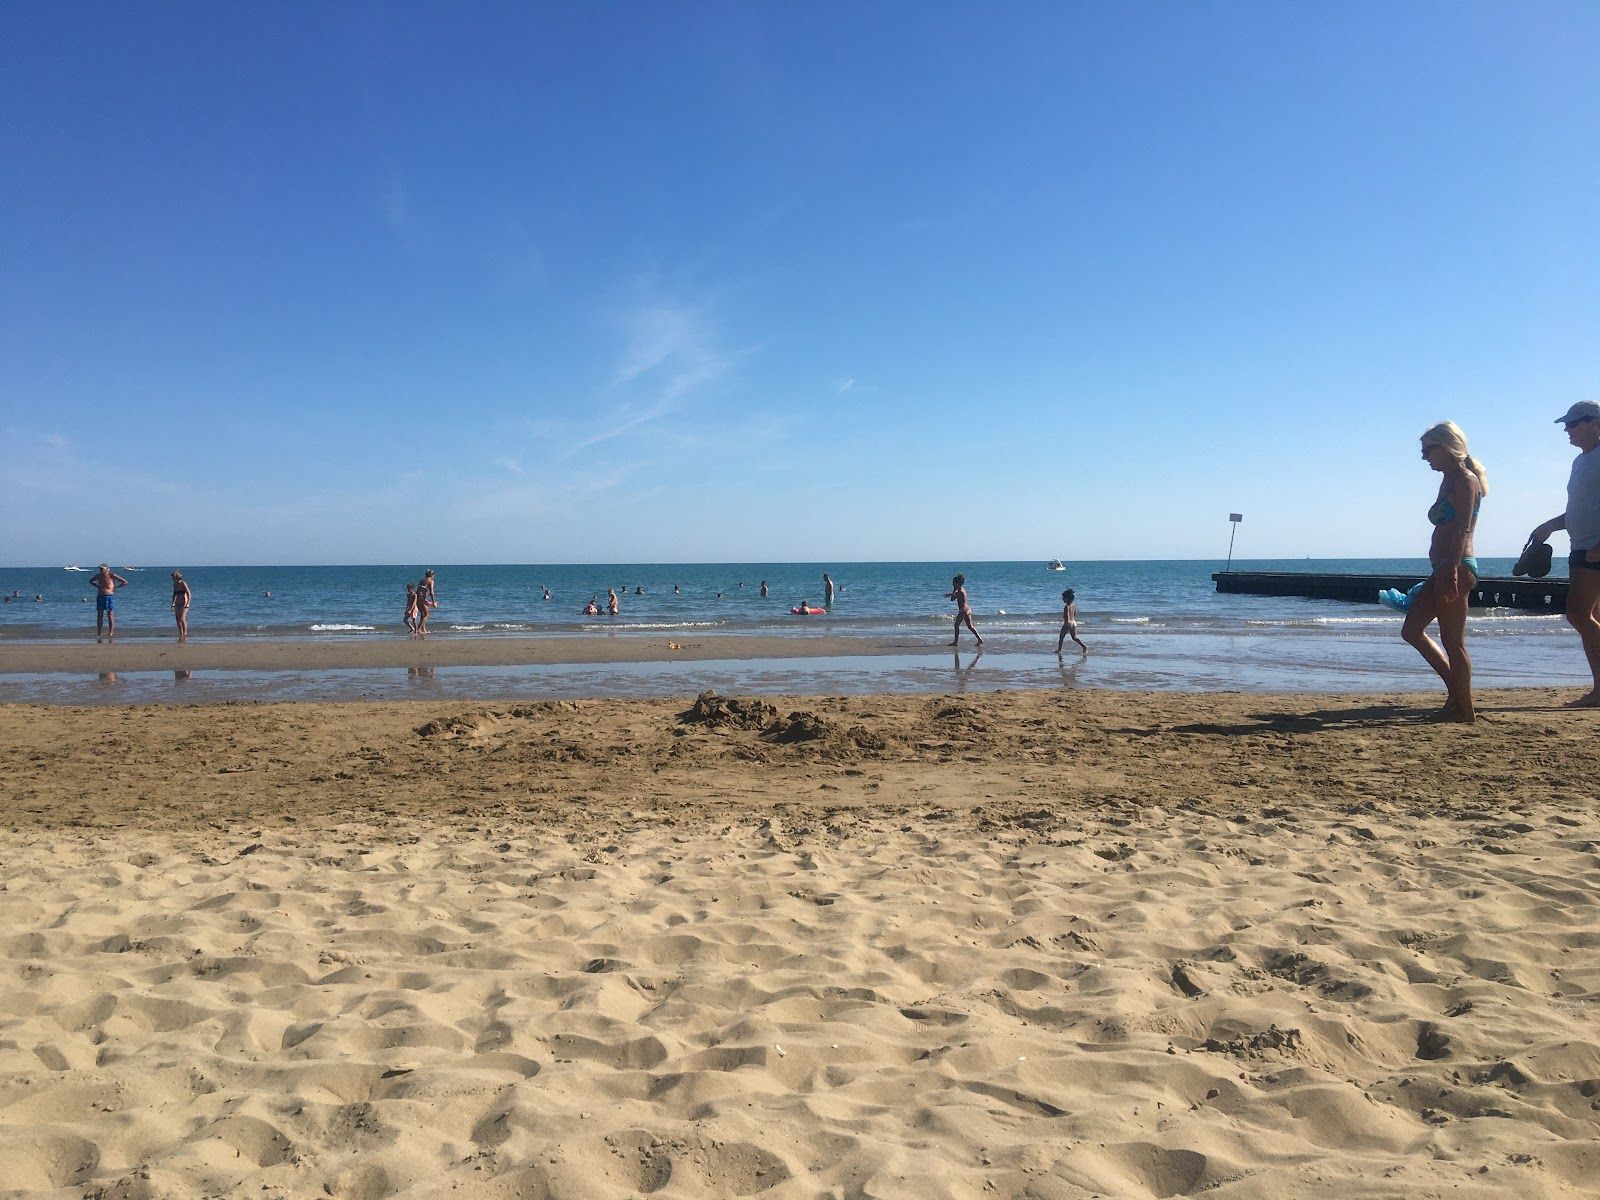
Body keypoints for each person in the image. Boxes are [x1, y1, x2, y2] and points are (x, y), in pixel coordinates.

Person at [1400, 421, 1487, 722]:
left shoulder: (1465, 479)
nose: (1424, 457)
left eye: (1428, 450)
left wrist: (1450, 569)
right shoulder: (1448, 479)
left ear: (1447, 447)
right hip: (1443, 568)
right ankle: (1457, 694)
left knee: (1453, 641)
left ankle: (1465, 709)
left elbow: (1462, 529)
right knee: (1411, 630)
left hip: (1458, 567)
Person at [1526, 400, 1600, 707]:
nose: (1567, 430)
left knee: (1578, 614)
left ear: (1593, 422)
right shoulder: (1581, 462)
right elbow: (1579, 509)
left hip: (1593, 548)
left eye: (1572, 424)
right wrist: (1550, 526)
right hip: (1580, 544)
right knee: (1591, 617)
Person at [88, 564, 129, 640]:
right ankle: (99, 632)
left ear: (107, 569)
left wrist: (115, 587)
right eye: (100, 569)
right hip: (100, 596)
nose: (101, 570)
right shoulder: (98, 576)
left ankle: (110, 632)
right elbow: (90, 581)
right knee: (100, 615)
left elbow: (125, 582)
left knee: (110, 614)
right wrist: (97, 586)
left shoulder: (111, 575)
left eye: (102, 569)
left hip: (109, 596)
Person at [946, 573, 982, 647]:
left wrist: (952, 592)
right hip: (968, 609)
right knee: (970, 626)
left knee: (956, 625)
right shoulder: (962, 590)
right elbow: (953, 597)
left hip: (963, 610)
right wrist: (952, 592)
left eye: (953, 583)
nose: (952, 584)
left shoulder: (959, 591)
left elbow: (952, 599)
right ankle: (980, 639)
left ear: (957, 583)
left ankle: (955, 642)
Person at [1056, 588, 1087, 655]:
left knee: (1061, 637)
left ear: (1067, 598)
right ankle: (1084, 646)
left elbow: (1066, 615)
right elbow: (1075, 613)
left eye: (1063, 598)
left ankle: (1059, 650)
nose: (1062, 599)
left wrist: (1065, 618)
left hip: (1068, 623)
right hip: (1074, 623)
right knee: (1074, 638)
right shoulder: (1073, 606)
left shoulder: (1066, 607)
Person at [170, 571, 192, 642]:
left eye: (173, 577)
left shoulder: (183, 583)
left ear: (177, 577)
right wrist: (172, 604)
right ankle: (181, 633)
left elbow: (189, 594)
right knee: (177, 619)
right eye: (172, 577)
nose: (172, 578)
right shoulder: (175, 584)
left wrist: (188, 603)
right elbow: (174, 595)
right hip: (177, 603)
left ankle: (185, 633)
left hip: (184, 603)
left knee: (182, 619)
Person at [416, 569, 437, 634]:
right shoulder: (431, 581)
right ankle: (418, 630)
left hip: (417, 598)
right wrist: (433, 602)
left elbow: (420, 590)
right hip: (422, 598)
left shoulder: (422, 580)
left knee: (422, 614)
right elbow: (431, 592)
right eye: (434, 575)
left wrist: (426, 600)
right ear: (432, 575)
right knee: (426, 615)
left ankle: (423, 629)